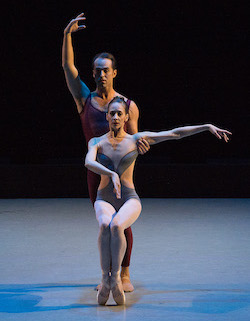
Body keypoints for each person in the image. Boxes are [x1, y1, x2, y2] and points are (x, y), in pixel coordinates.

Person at [85, 96, 232, 305]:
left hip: (128, 198)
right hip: (105, 198)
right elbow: (88, 161)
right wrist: (112, 174)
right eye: (112, 113)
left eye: (120, 113)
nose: (116, 117)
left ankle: (116, 277)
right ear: (107, 117)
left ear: (126, 117)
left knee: (117, 225)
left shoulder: (136, 140)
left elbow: (175, 134)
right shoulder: (96, 141)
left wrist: (206, 126)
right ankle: (104, 279)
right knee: (104, 224)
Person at [62, 13, 150, 292]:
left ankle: (124, 273)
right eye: (97, 70)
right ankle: (107, 275)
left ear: (114, 72)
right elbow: (67, 66)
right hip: (96, 174)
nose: (102, 74)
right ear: (93, 73)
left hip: (122, 173)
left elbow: (135, 138)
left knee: (122, 222)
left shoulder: (127, 105)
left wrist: (142, 145)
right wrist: (66, 35)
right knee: (105, 223)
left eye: (106, 70)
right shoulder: (84, 99)